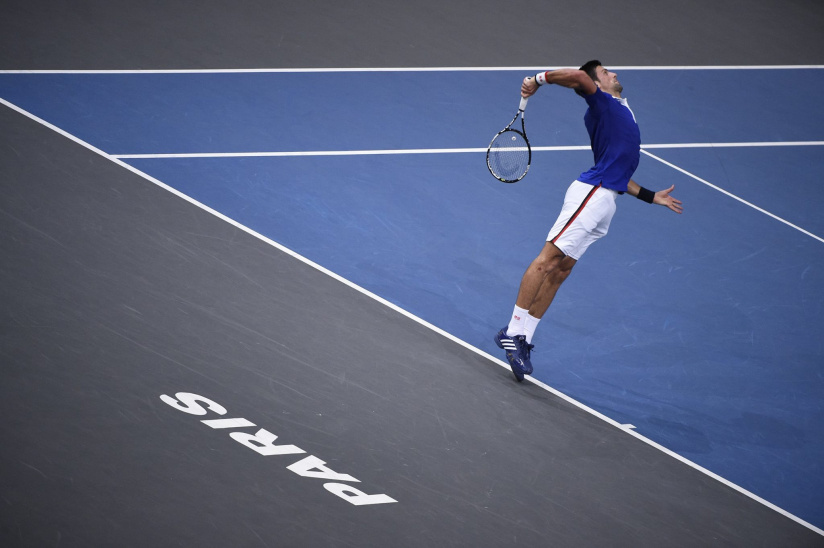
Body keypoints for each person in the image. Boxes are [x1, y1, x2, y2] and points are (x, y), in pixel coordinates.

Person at [494, 61, 683, 382]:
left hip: (606, 199)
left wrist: (652, 196)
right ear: (598, 83)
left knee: (562, 270)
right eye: (608, 73)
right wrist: (538, 80)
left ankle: (524, 336)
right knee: (547, 260)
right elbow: (580, 76)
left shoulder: (619, 109)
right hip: (591, 195)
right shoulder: (603, 102)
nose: (615, 75)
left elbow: (620, 173)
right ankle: (512, 330)